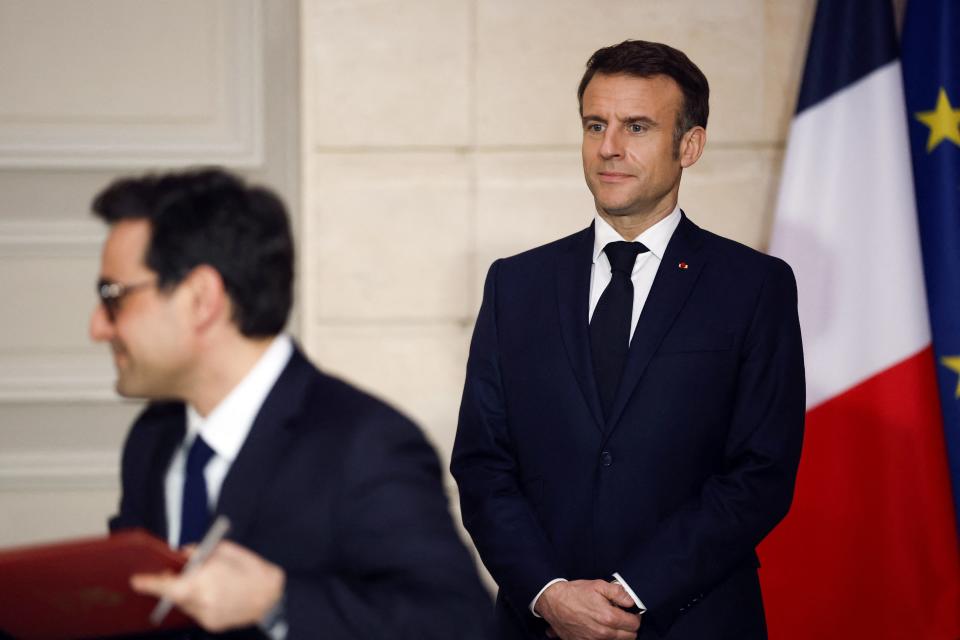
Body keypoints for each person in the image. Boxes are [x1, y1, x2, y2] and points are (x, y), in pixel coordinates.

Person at [451, 40, 805, 640]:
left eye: (636, 126)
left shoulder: (754, 286)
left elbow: (760, 473)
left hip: (693, 620)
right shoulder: (516, 284)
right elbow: (483, 465)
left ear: (688, 145)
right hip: (539, 623)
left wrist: (634, 593)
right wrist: (548, 594)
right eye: (596, 125)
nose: (609, 147)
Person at [89, 167, 492, 639]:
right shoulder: (152, 438)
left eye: (113, 296)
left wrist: (276, 600)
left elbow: (460, 622)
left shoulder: (365, 444)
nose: (98, 326)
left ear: (201, 298)